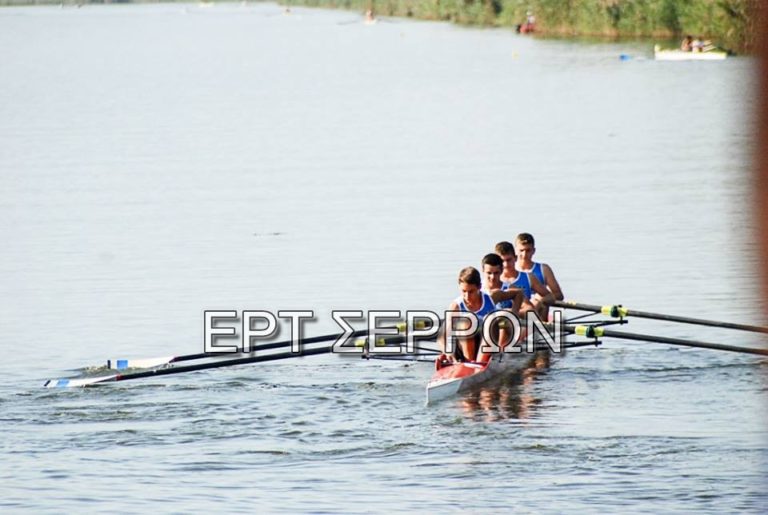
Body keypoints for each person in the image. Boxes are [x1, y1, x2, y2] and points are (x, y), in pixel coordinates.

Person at [437, 266, 496, 364]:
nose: (467, 296)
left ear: (479, 287)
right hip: (463, 346)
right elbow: (441, 338)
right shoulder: (456, 306)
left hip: (484, 345)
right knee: (467, 322)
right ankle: (470, 363)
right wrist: (447, 352)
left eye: (471, 291)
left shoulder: (489, 301)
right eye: (463, 291)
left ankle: (478, 364)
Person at [495, 241, 554, 318]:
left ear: (515, 258)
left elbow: (550, 297)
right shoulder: (491, 281)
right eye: (502, 261)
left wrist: (540, 302)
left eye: (509, 260)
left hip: (524, 320)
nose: (505, 264)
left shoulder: (529, 277)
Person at [514, 233, 564, 303]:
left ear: (533, 251)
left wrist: (542, 299)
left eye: (528, 250)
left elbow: (559, 295)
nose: (524, 255)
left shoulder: (544, 269)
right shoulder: (509, 269)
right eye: (521, 250)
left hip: (538, 309)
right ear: (516, 250)